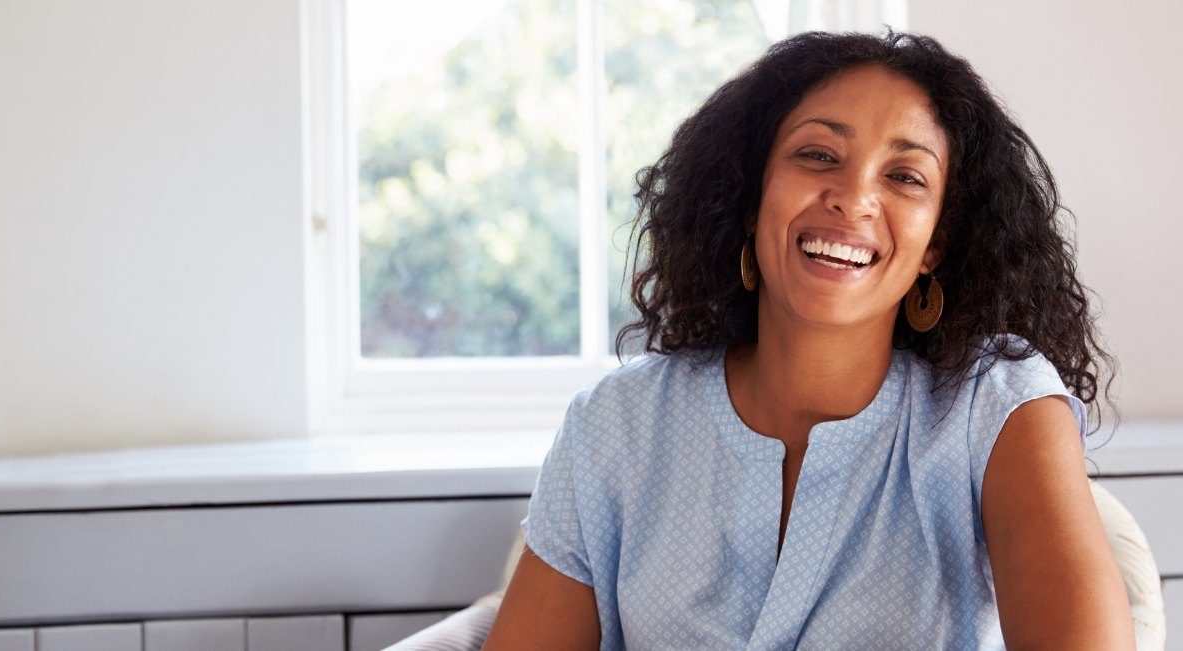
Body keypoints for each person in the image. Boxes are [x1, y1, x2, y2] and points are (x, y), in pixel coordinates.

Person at [482, 29, 1133, 650]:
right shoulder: (615, 425)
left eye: (905, 176)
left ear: (936, 243)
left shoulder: (996, 408)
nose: (853, 198)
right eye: (818, 155)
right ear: (747, 196)